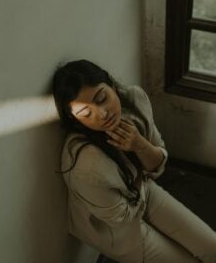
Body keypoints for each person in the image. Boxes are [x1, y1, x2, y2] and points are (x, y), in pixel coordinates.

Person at [52, 59, 216, 263]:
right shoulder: (86, 165)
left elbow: (158, 165)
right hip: (118, 230)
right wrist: (141, 179)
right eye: (86, 113)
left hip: (143, 192)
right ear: (76, 119)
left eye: (102, 98)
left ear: (111, 84)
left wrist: (139, 145)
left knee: (212, 247)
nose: (102, 114)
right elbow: (120, 217)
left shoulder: (135, 100)